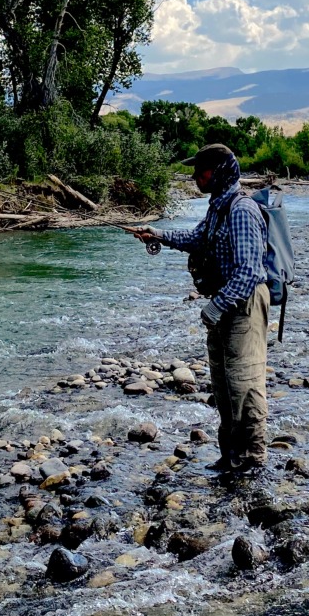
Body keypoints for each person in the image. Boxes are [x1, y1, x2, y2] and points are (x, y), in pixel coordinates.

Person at [128, 144, 270, 476]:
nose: (195, 176)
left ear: (220, 172)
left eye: (201, 170)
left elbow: (249, 271)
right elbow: (197, 238)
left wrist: (215, 307)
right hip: (225, 305)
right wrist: (158, 235)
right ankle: (230, 456)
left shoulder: (242, 211)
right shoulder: (218, 208)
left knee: (244, 384)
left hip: (243, 304)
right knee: (223, 386)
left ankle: (252, 459)